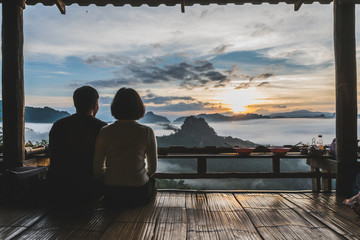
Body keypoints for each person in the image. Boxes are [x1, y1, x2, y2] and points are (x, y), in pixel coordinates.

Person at [93, 87, 157, 207]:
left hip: (112, 193)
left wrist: (112, 179)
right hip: (138, 192)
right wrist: (139, 177)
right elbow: (152, 169)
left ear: (115, 107)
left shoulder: (104, 131)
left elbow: (97, 168)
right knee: (153, 184)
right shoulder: (147, 131)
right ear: (139, 107)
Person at [46, 86, 107, 205]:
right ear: (95, 105)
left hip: (57, 189)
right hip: (89, 190)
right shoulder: (101, 128)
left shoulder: (58, 125)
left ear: (75, 103)